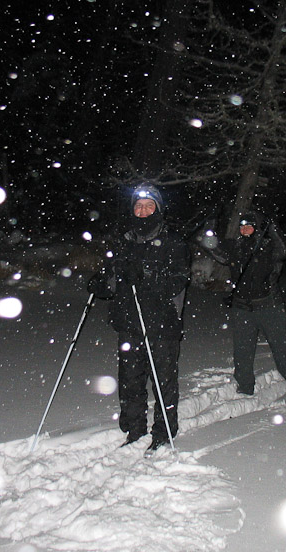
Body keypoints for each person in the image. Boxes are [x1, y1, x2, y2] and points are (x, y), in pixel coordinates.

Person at [87, 183, 190, 453]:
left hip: (162, 324)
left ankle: (164, 432)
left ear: (158, 209)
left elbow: (177, 281)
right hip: (129, 323)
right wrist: (102, 283)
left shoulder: (173, 242)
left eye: (149, 206)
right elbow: (113, 277)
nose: (143, 211)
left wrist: (145, 275)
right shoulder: (125, 241)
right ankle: (134, 430)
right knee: (130, 381)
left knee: (163, 382)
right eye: (138, 206)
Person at [201, 210, 286, 395]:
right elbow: (212, 248)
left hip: (269, 306)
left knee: (280, 347)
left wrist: (273, 228)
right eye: (242, 226)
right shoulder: (235, 247)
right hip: (242, 307)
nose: (245, 229)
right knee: (242, 350)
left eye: (249, 226)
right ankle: (245, 385)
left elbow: (284, 251)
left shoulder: (268, 246)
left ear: (256, 228)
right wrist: (210, 225)